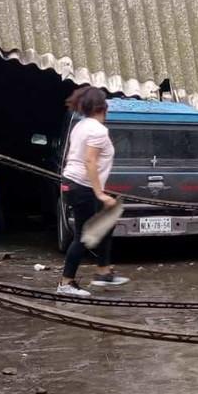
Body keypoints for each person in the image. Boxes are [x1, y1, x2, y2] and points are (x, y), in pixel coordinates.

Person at [58, 85, 129, 296]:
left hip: (73, 182)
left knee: (106, 223)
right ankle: (66, 283)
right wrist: (99, 193)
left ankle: (103, 272)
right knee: (83, 235)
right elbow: (90, 161)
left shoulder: (80, 125)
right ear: (103, 107)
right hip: (83, 187)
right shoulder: (98, 130)